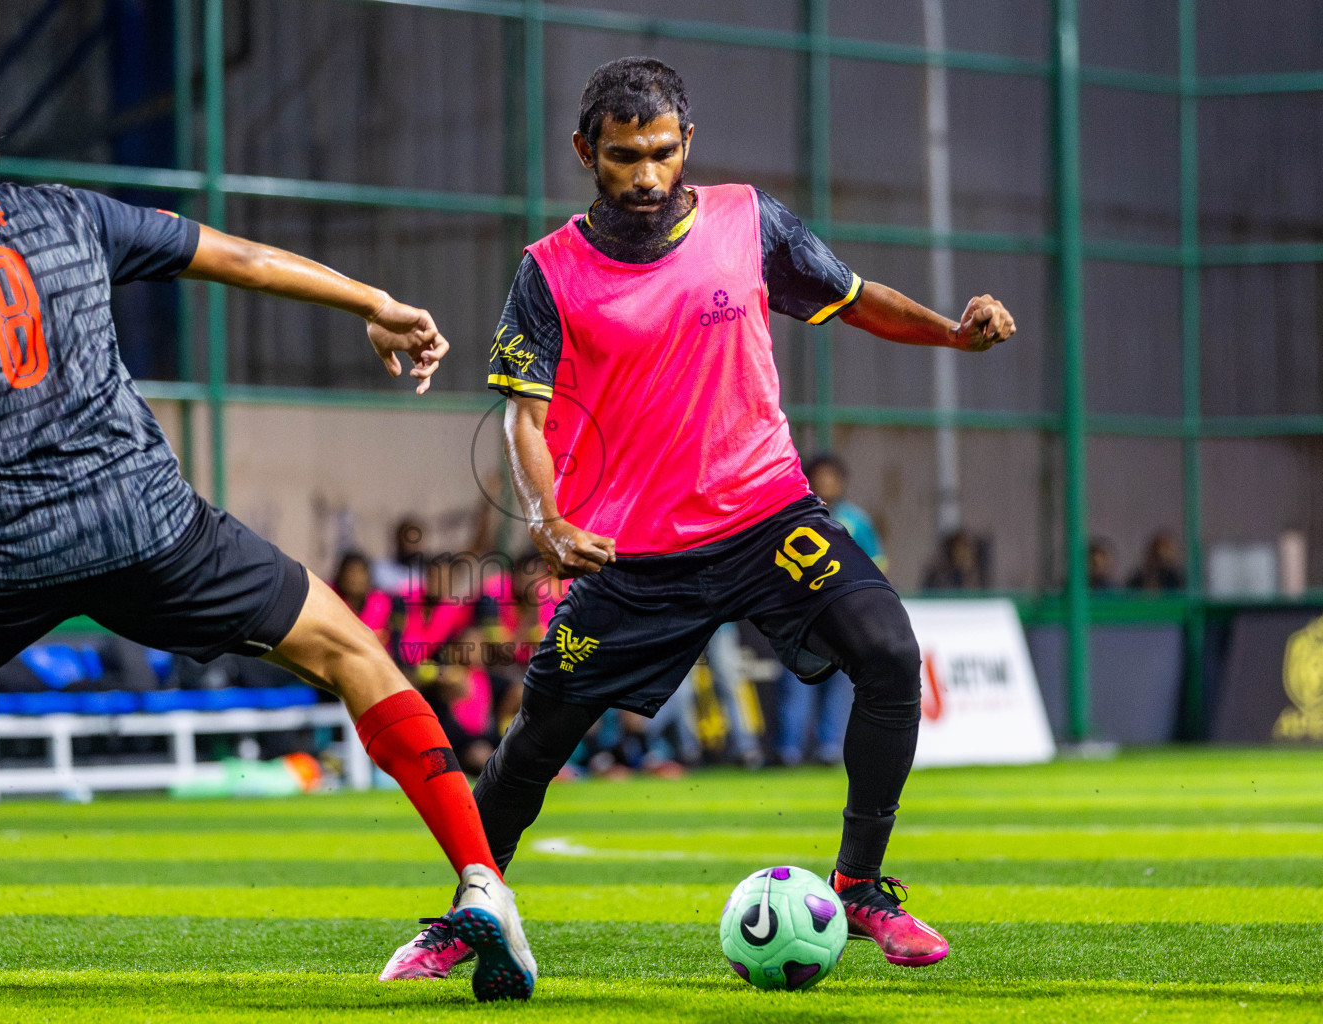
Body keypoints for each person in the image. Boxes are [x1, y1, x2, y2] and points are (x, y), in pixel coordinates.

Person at [0, 62, 533, 1001]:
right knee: (354, 650)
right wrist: (372, 303)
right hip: (145, 527)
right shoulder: (71, 210)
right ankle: (481, 883)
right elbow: (242, 259)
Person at [380, 56, 1015, 981]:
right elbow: (523, 414)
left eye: (662, 153)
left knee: (886, 653)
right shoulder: (548, 272)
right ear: (584, 154)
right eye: (624, 156)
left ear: (687, 147)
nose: (645, 175)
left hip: (768, 515)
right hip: (629, 556)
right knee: (533, 746)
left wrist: (951, 334)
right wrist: (548, 522)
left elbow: (852, 297)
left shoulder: (748, 221)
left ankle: (862, 887)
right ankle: (466, 909)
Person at [778, 454, 882, 765]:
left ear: (842, 482)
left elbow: (878, 565)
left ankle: (829, 747)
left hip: (844, 616)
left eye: (830, 477)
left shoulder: (856, 521)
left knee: (837, 685)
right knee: (796, 681)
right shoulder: (793, 517)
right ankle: (789, 749)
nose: (825, 483)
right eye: (818, 477)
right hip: (801, 617)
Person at [922, 529, 987, 591]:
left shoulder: (979, 573)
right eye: (959, 549)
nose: (964, 553)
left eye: (967, 548)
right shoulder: (940, 576)